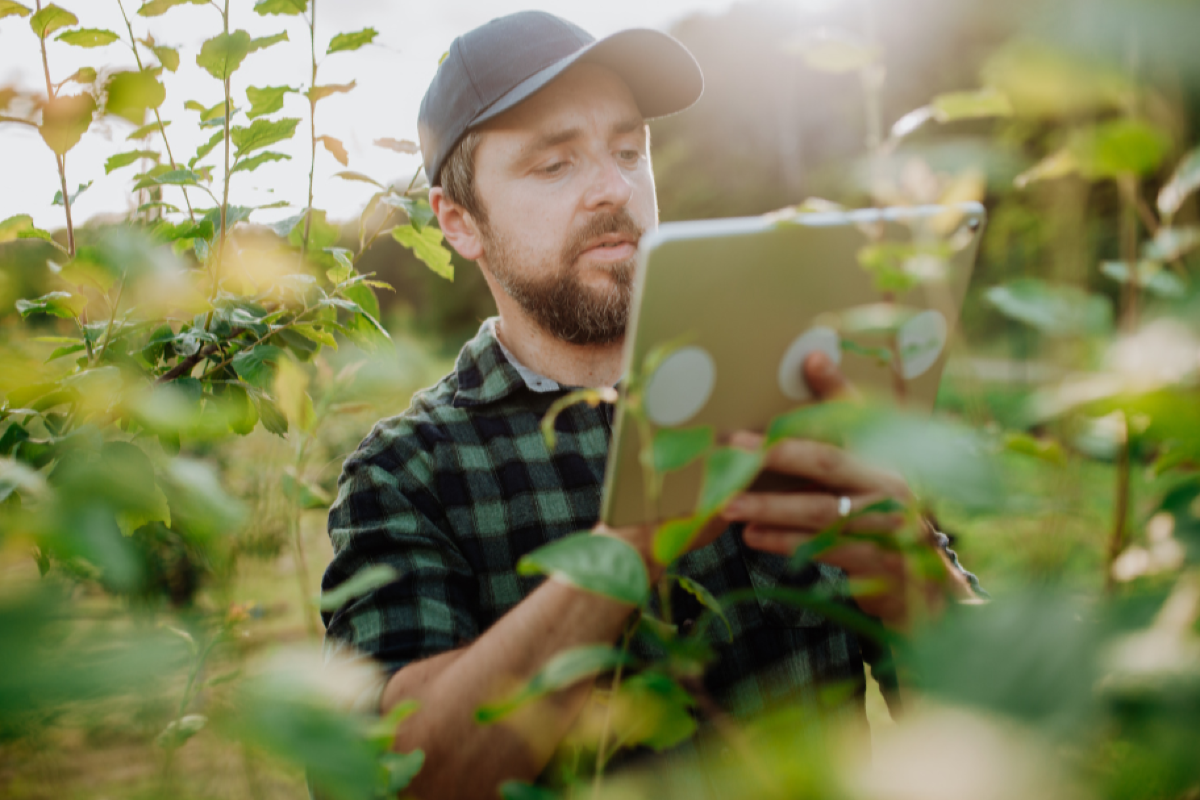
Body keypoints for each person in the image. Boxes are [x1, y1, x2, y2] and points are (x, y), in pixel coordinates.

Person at [321, 10, 980, 798]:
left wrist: (916, 575)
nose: (614, 187)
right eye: (553, 165)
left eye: (630, 150)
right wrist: (629, 546)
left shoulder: (800, 389)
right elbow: (390, 778)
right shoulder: (404, 475)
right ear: (460, 223)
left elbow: (991, 736)